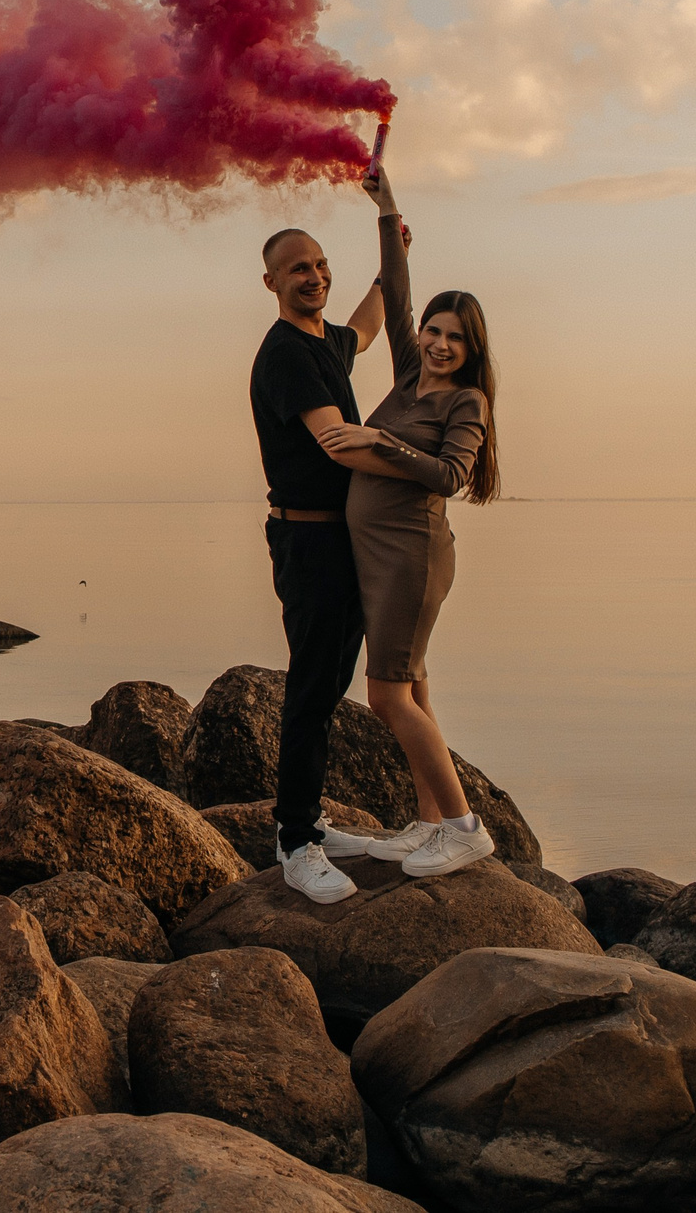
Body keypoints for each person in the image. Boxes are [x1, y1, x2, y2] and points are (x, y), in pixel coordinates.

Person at [315, 146, 501, 879]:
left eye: (455, 337)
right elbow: (396, 295)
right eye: (434, 331)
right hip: (380, 555)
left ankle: (464, 827)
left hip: (413, 557)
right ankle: (429, 823)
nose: (440, 344)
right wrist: (387, 209)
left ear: (471, 349)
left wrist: (380, 441)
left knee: (388, 695)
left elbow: (451, 475)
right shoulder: (406, 376)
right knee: (414, 686)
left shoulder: (464, 401)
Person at [248, 216, 401, 904]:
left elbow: (366, 328)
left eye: (319, 264)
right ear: (271, 282)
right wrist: (423, 465)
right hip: (308, 543)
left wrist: (390, 264)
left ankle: (309, 819)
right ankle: (294, 842)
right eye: (298, 269)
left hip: (345, 540)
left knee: (332, 685)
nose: (314, 276)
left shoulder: (326, 343)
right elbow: (336, 441)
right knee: (311, 689)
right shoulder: (286, 355)